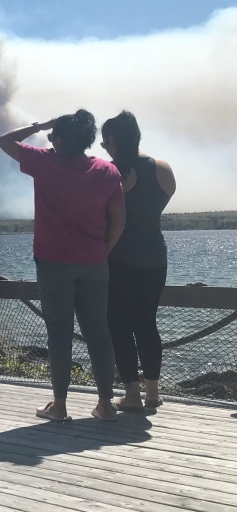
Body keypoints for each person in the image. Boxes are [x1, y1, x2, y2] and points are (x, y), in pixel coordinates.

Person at [0, 110, 125, 422]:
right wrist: (101, 251)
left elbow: (4, 140)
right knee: (98, 333)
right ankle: (106, 404)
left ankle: (60, 404)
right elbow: (119, 222)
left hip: (54, 263)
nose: (50, 141)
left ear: (62, 139)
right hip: (94, 263)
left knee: (59, 334)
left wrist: (42, 125)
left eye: (55, 137)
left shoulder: (45, 162)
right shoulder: (108, 171)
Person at [101, 111, 176, 411]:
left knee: (118, 326)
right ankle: (153, 393)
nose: (103, 147)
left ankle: (131, 395)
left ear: (115, 140)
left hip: (119, 259)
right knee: (147, 323)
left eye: (105, 141)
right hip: (156, 257)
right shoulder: (163, 168)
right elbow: (157, 202)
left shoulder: (111, 173)